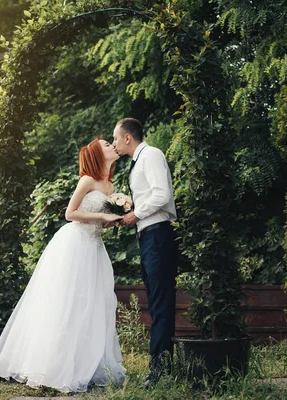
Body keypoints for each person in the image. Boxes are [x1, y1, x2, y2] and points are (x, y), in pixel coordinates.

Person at [0, 138, 126, 393]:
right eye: (107, 144)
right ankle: (55, 367)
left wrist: (112, 220)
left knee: (92, 303)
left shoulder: (111, 185)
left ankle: (87, 366)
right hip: (75, 245)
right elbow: (70, 214)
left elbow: (99, 222)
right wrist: (102, 215)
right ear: (97, 154)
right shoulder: (87, 180)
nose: (112, 147)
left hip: (95, 248)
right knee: (68, 302)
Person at [112, 118, 178, 384]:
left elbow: (162, 195)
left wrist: (135, 214)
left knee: (161, 303)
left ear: (128, 137)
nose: (114, 143)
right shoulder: (138, 161)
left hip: (158, 235)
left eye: (115, 138)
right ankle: (161, 366)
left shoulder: (151, 155)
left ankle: (160, 371)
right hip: (148, 237)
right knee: (156, 301)